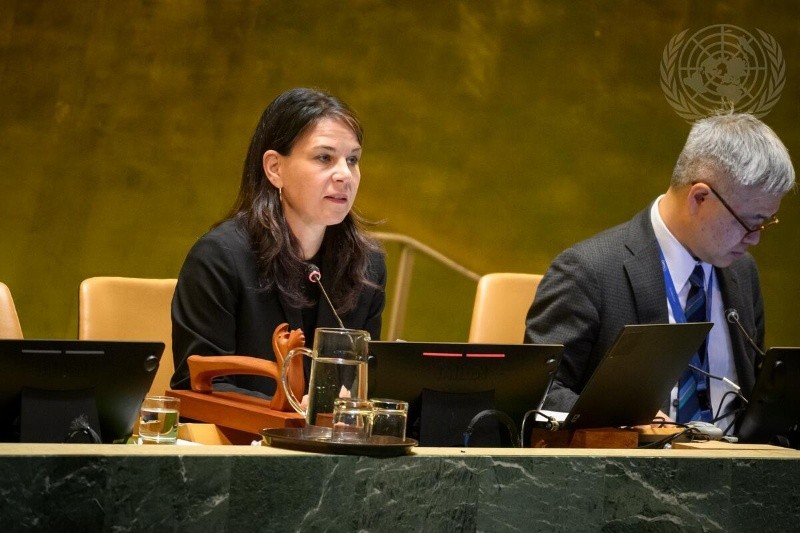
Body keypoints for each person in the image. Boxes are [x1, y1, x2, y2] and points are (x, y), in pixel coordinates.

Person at [525, 113, 795, 431]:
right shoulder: (587, 272)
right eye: (750, 221)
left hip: (739, 472)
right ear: (699, 198)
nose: (756, 238)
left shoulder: (742, 272)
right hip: (633, 473)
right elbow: (539, 397)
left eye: (766, 222)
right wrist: (626, 422)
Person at [171, 87, 386, 398]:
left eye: (352, 160)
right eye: (324, 157)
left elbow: (363, 385)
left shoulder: (367, 266)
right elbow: (201, 384)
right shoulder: (220, 258)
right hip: (240, 443)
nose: (345, 175)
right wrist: (295, 413)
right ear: (275, 168)